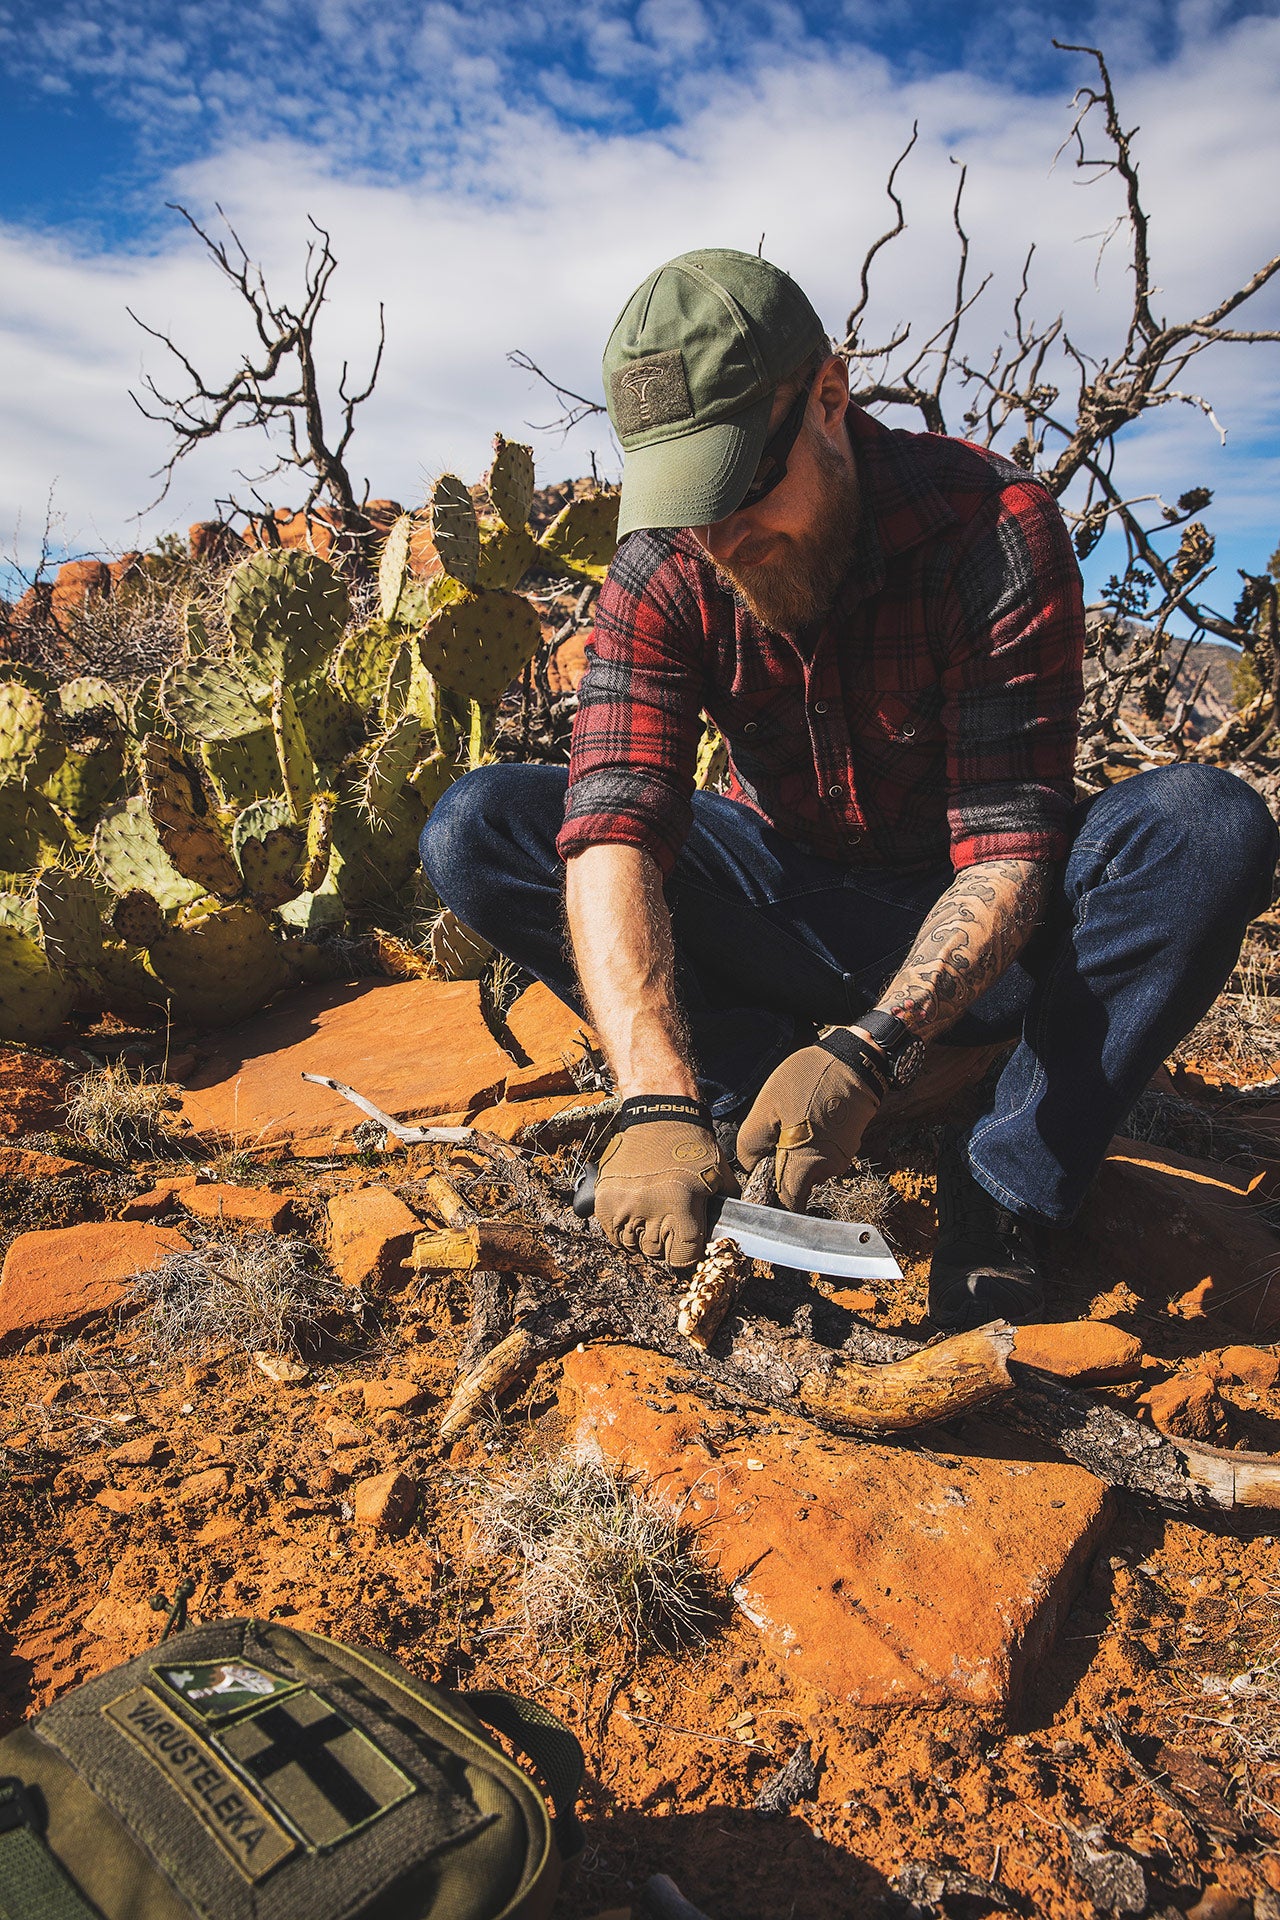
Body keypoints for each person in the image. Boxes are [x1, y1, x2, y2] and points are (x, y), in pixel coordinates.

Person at [423, 248, 1278, 1329]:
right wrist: (648, 1092)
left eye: (739, 486)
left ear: (828, 398)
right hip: (781, 906)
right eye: (688, 502)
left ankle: (999, 1183)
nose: (720, 538)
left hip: (984, 939)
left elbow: (1010, 850)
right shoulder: (664, 566)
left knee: (1203, 828)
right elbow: (612, 825)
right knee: (479, 825)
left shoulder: (986, 525)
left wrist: (871, 1055)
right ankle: (729, 1118)